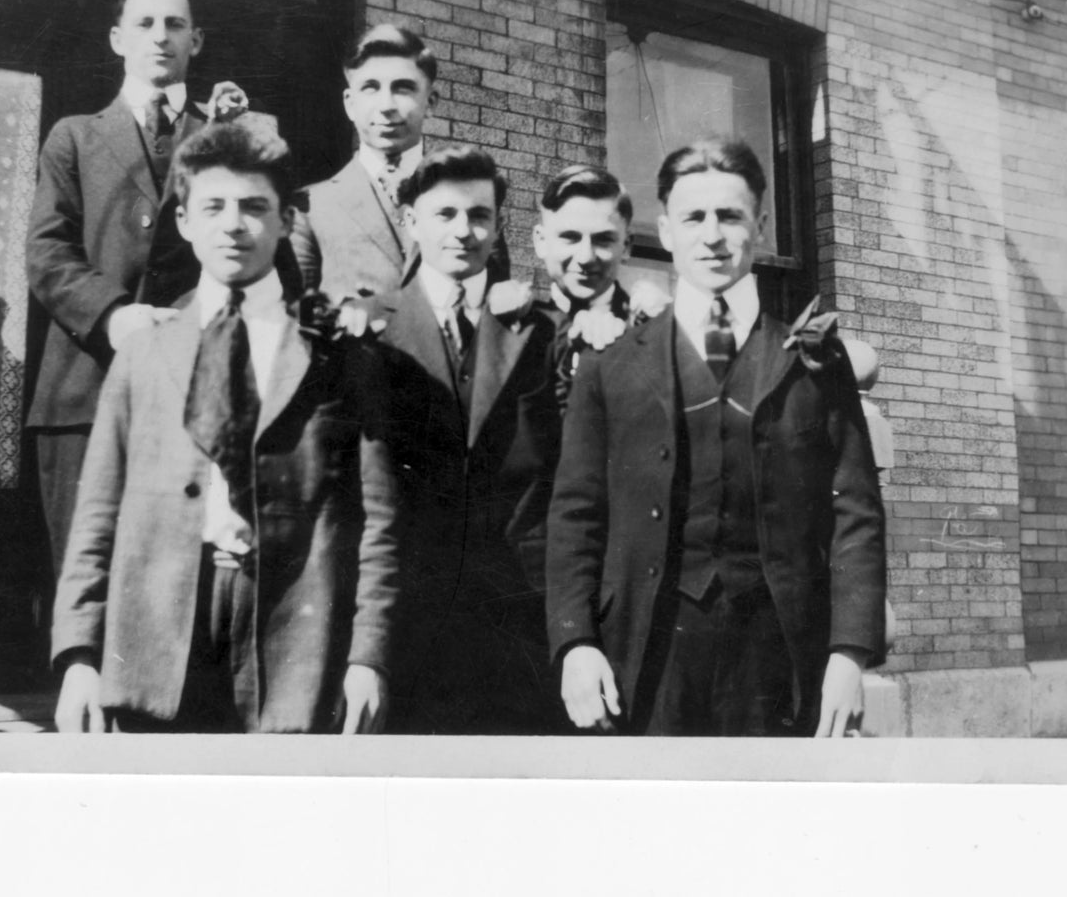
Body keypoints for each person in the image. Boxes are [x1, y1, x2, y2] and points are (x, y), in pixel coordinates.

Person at [51, 116, 400, 733]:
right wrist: (80, 653)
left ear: (287, 221)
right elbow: (98, 513)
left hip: (293, 634)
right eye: (213, 206)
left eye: (254, 207)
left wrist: (367, 655)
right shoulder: (145, 352)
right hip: (155, 635)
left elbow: (376, 519)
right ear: (184, 222)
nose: (234, 225)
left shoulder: (335, 356)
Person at [546, 136, 887, 737]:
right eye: (693, 217)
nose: (712, 235)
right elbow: (577, 514)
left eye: (729, 216)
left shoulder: (817, 364)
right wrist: (576, 644)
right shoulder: (611, 364)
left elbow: (855, 515)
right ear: (665, 230)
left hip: (780, 655)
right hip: (648, 655)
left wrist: (848, 654)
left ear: (759, 225)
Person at [26, 0, 249, 576]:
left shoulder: (223, 140)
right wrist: (115, 317)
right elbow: (47, 253)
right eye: (144, 23)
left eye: (175, 24)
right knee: (85, 575)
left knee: (173, 582)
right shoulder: (73, 138)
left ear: (195, 41)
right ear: (118, 38)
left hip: (192, 385)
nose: (160, 36)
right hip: (84, 389)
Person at [372, 146, 563, 734]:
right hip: (409, 613)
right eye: (445, 215)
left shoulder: (539, 331)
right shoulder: (371, 329)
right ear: (411, 222)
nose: (464, 231)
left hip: (515, 614)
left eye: (479, 216)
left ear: (499, 225)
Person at [290, 23, 505, 301]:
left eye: (403, 89)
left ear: (430, 103)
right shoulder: (310, 209)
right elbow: (299, 323)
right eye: (370, 88)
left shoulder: (474, 204)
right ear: (349, 104)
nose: (386, 105)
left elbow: (497, 322)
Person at [531, 163, 665, 406]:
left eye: (603, 240)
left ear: (626, 246)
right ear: (541, 241)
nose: (585, 257)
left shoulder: (655, 332)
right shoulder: (517, 332)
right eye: (570, 237)